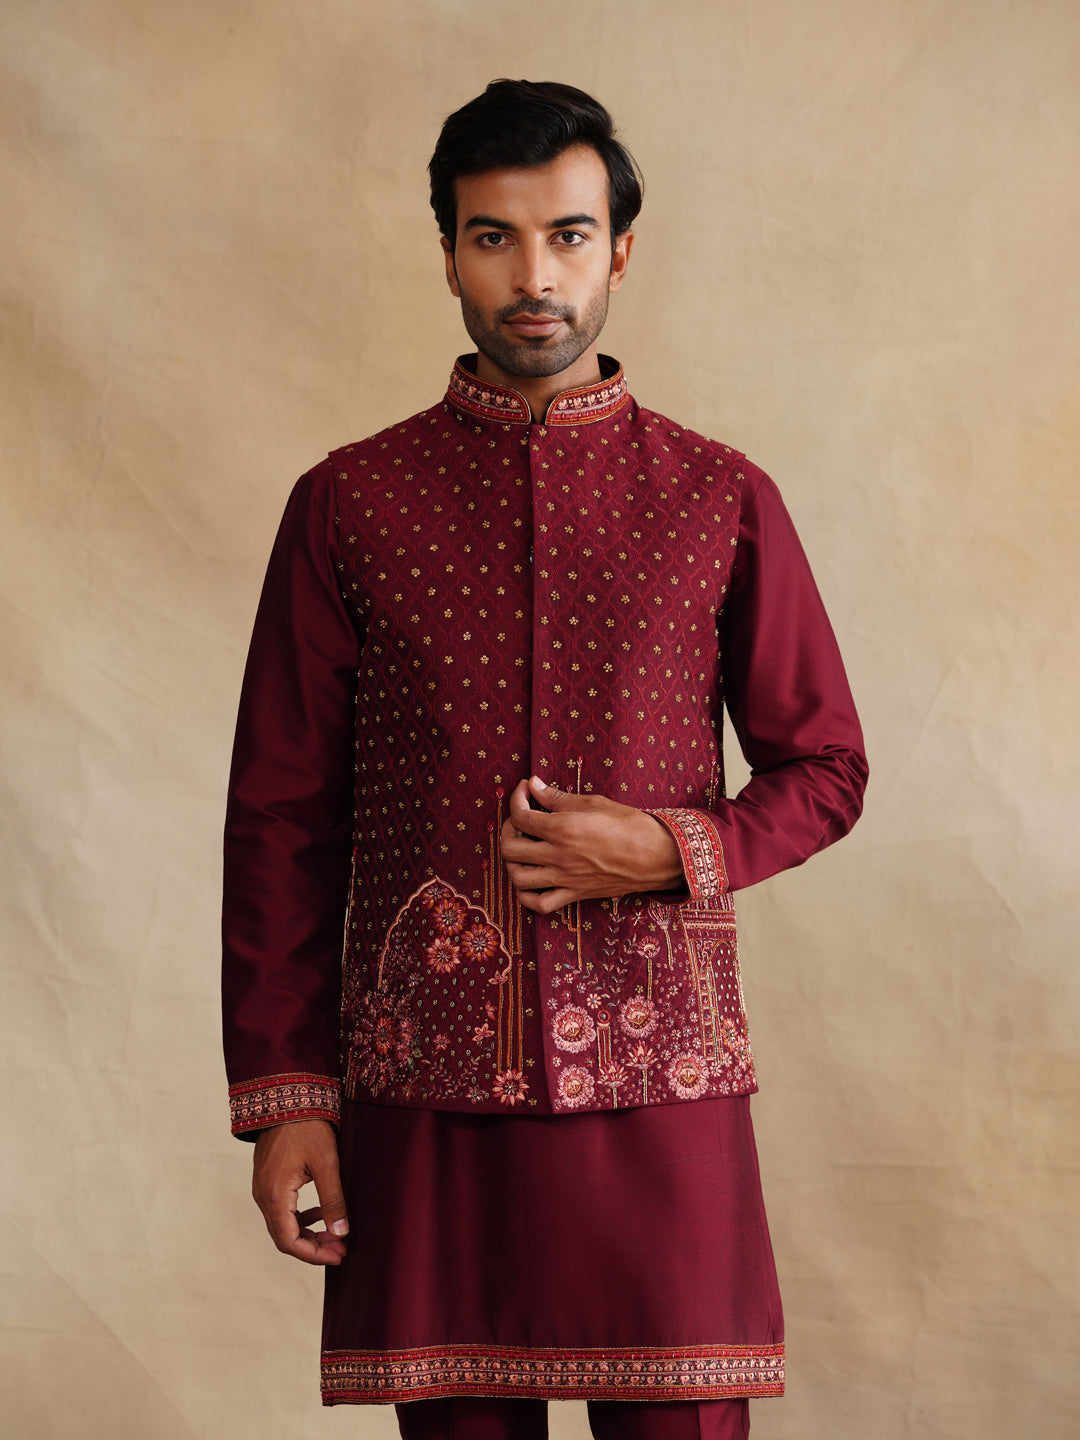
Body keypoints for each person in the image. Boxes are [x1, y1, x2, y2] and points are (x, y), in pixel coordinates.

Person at [222, 79, 868, 1440]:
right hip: (423, 1105)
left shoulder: (719, 497)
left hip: (664, 1091)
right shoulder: (350, 503)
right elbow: (282, 818)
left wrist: (676, 848)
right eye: (495, 238)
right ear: (446, 249)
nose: (534, 276)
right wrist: (285, 1102)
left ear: (620, 251)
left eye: (568, 237)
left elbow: (824, 767)